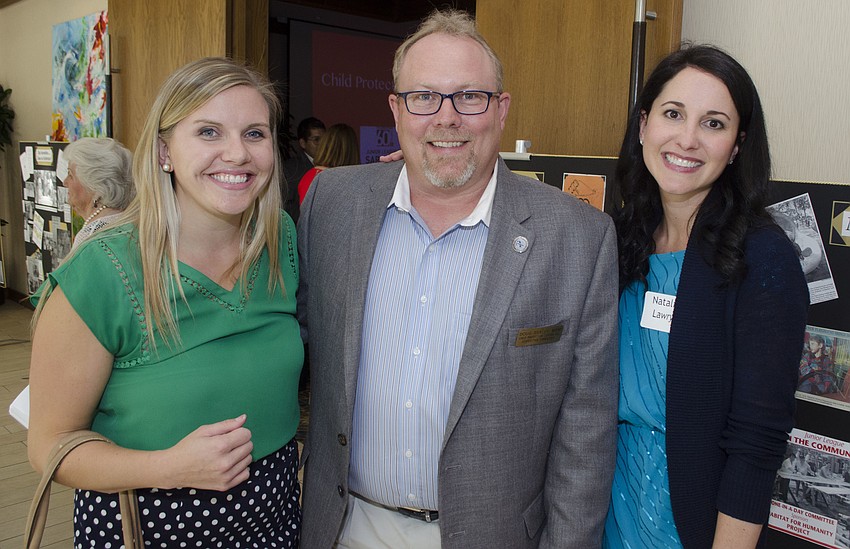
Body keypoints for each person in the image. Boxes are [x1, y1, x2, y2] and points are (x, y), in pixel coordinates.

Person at [297, 9, 618, 549]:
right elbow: (290, 346)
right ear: (396, 110)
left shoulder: (577, 237)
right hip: (345, 528)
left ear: (502, 109)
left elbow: (585, 435)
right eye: (424, 97)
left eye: (470, 97)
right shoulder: (331, 205)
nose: (446, 118)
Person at [27, 57, 303, 547]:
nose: (237, 153)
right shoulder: (104, 272)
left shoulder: (279, 239)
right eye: (209, 132)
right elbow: (50, 446)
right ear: (163, 151)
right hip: (152, 524)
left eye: (254, 133)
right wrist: (168, 467)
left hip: (274, 518)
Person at [602, 44, 809, 549]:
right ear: (644, 125)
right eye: (673, 114)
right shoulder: (617, 239)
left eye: (714, 124)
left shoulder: (762, 257)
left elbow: (757, 443)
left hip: (691, 526)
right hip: (602, 513)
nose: (688, 139)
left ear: (737, 146)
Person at [62, 137, 134, 250]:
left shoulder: (90, 236)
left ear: (95, 186)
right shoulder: (127, 221)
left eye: (70, 175)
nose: (65, 182)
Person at [297, 123, 359, 203]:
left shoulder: (313, 177)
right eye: (316, 139)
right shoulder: (357, 181)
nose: (319, 144)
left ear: (326, 145)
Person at [282, 116, 325, 222]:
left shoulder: (330, 167)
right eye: (316, 140)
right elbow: (285, 208)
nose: (322, 145)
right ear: (303, 143)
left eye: (325, 140)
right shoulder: (291, 169)